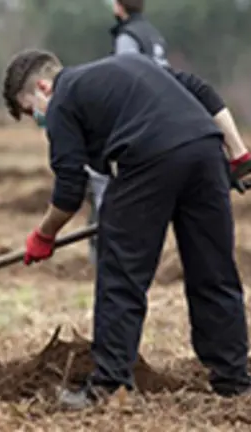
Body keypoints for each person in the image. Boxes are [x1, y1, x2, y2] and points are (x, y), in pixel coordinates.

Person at [2, 49, 251, 409]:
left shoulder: (62, 101)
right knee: (214, 271)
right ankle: (233, 380)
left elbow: (69, 189)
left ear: (44, 87)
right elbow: (201, 90)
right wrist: (239, 155)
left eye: (31, 111)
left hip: (148, 159)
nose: (37, 120)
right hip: (205, 149)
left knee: (120, 277)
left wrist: (44, 235)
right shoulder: (133, 65)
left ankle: (109, 387)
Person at [86, 0, 171, 264]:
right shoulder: (153, 34)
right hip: (164, 119)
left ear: (119, 7)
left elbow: (123, 78)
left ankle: (107, 251)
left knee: (99, 177)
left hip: (137, 122)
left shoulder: (127, 37)